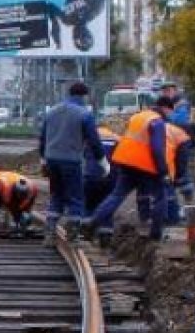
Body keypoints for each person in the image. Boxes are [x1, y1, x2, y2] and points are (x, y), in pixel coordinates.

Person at [90, 95, 178, 246]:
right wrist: (163, 171)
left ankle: (92, 223)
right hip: (144, 165)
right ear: (166, 108)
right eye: (171, 112)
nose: (171, 115)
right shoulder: (157, 122)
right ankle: (156, 234)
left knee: (117, 195)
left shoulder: (138, 117)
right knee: (160, 196)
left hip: (125, 162)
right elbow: (157, 148)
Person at [39, 81, 105, 245]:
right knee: (75, 197)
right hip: (71, 160)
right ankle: (73, 235)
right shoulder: (84, 114)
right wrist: (102, 161)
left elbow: (42, 137)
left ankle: (50, 233)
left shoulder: (52, 111)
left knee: (56, 194)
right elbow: (94, 141)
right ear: (84, 96)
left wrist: (43, 158)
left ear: (69, 94)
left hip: (51, 159)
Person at [84, 126, 119, 213]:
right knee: (107, 202)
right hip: (111, 178)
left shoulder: (87, 139)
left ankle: (86, 221)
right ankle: (107, 224)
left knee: (88, 204)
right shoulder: (117, 139)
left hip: (91, 177)